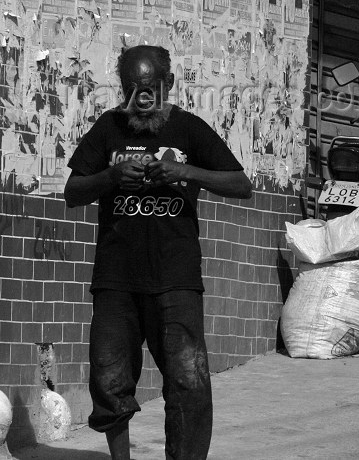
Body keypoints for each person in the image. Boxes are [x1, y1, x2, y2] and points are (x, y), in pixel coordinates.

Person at [64, 45, 252, 459]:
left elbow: (241, 185)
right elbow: (72, 193)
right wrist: (112, 175)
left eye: (149, 89)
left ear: (167, 85)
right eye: (132, 89)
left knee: (189, 383)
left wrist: (183, 171)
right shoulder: (108, 129)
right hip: (116, 280)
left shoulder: (189, 130)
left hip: (176, 279)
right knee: (110, 382)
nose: (140, 99)